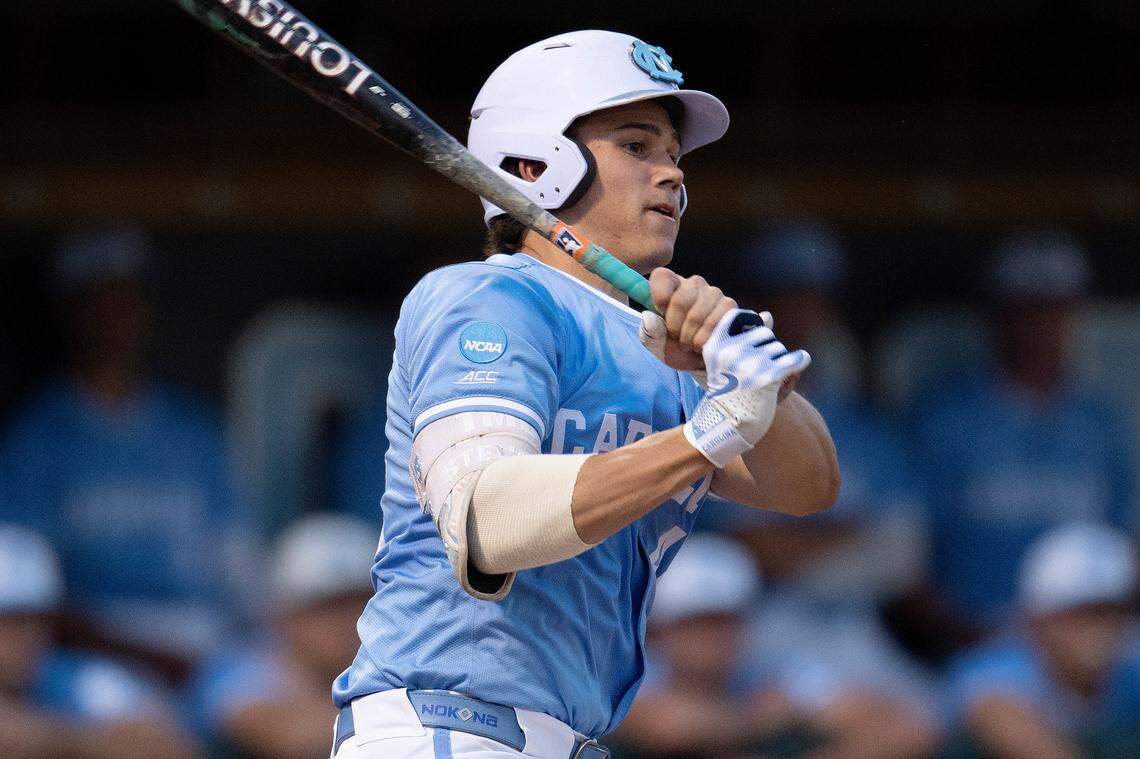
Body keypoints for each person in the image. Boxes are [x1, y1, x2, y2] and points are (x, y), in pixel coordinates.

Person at [330, 30, 839, 759]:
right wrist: (708, 433)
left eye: (674, 154)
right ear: (534, 164)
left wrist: (733, 368)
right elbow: (488, 521)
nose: (672, 176)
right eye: (638, 146)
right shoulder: (487, 296)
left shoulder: (660, 344)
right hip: (450, 727)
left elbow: (811, 486)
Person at [0, 229, 256, 677]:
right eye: (98, 300)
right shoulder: (37, 441)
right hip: (91, 659)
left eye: (127, 298)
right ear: (69, 312)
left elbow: (242, 570)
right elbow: (29, 598)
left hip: (206, 645)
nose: (116, 317)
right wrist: (150, 659)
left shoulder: (192, 431)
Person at [912, 231, 1135, 630]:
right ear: (997, 315)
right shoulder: (946, 420)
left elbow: (1125, 544)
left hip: (1086, 641)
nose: (1041, 326)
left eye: (1055, 310)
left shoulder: (1100, 425)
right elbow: (910, 561)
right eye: (1027, 309)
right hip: (976, 633)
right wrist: (960, 634)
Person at [614, 534, 942, 759]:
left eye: (725, 620)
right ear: (659, 630)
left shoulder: (762, 669)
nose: (713, 637)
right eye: (696, 622)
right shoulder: (633, 670)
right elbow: (667, 726)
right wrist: (760, 718)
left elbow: (909, 728)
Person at [0, 524, 199, 759]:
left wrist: (48, 738)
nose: (20, 637)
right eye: (6, 621)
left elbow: (174, 748)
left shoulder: (80, 680)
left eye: (31, 620)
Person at [187, 514, 376, 758]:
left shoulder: (389, 668)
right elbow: (292, 738)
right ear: (284, 616)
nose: (347, 621)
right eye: (327, 607)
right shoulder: (239, 666)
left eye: (360, 603)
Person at [948, 522, 1140, 758]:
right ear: (1038, 620)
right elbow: (994, 710)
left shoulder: (1129, 675)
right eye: (1081, 613)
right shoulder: (1002, 666)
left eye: (1111, 611)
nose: (1099, 628)